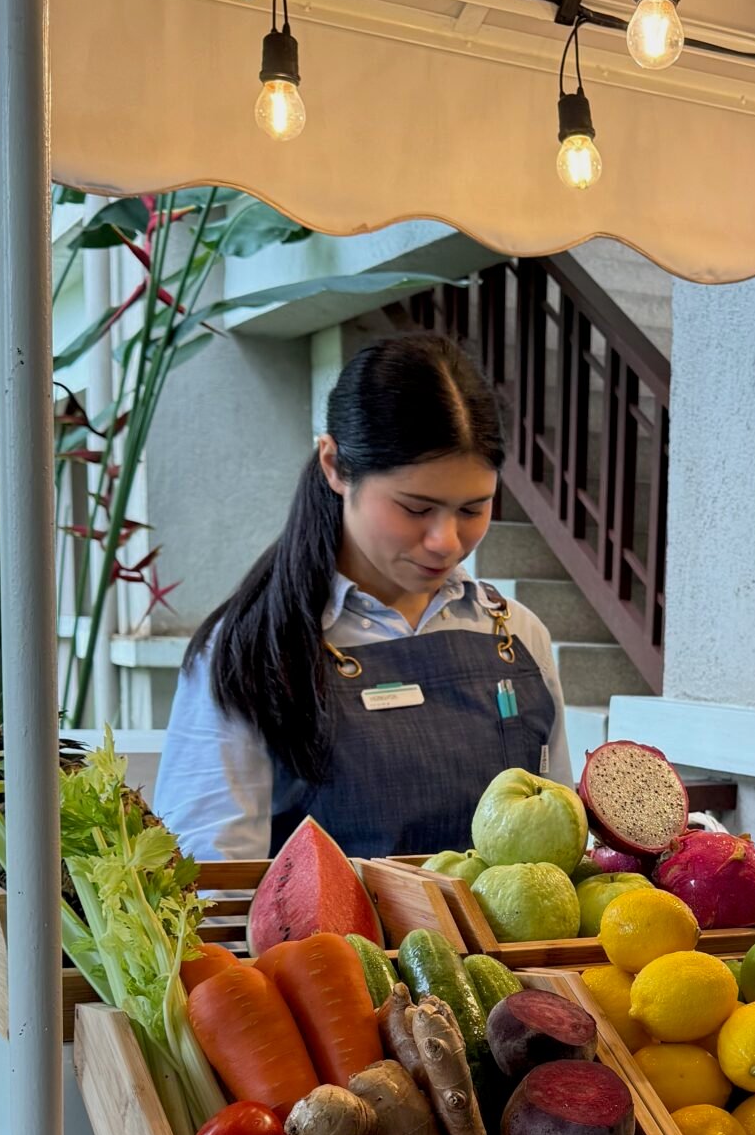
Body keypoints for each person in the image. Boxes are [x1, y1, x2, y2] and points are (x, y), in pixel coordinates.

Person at [155, 333, 569, 860]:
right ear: (334, 465)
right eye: (416, 508)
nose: (446, 541)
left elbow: (558, 839)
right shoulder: (251, 648)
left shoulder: (517, 633)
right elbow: (210, 880)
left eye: (472, 509)